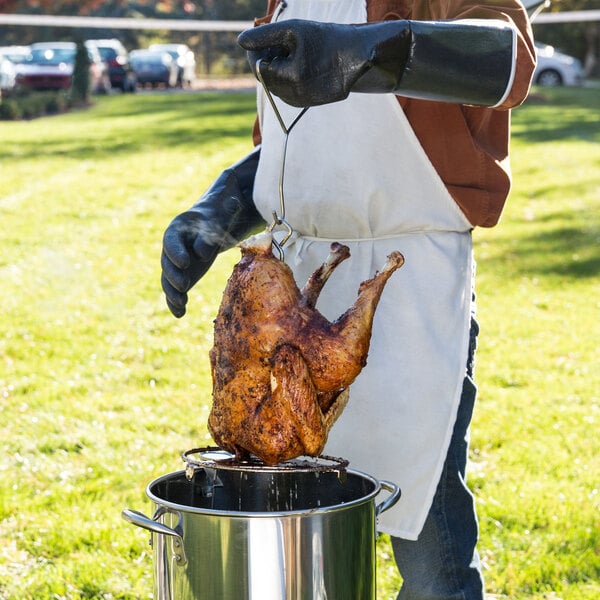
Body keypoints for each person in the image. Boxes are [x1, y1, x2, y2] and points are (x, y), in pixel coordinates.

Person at [161, 1, 536, 597]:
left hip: (406, 280)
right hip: (300, 281)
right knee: (300, 538)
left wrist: (371, 51)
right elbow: (296, 150)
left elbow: (509, 61)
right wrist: (219, 209)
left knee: (429, 542)